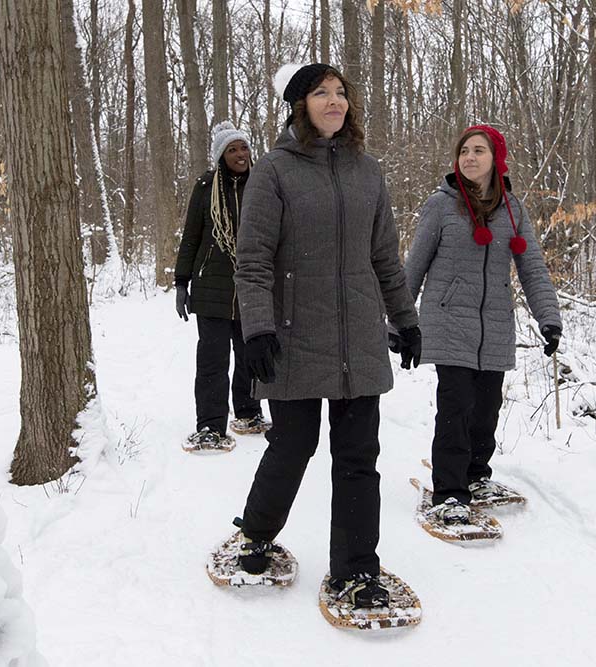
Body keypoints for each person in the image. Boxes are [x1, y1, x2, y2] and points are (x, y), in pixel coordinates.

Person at [231, 63, 421, 608]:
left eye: (341, 92)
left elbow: (385, 256)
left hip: (358, 337)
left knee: (359, 456)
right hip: (293, 335)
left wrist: (405, 319)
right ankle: (257, 532)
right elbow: (253, 260)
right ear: (301, 105)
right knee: (293, 445)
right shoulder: (274, 170)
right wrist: (258, 328)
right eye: (322, 93)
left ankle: (357, 569)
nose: (335, 101)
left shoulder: (368, 171)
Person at [401, 124, 562, 524]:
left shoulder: (513, 209)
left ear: (496, 159)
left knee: (487, 409)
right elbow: (415, 264)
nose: (469, 157)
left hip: (495, 324)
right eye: (464, 151)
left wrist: (548, 318)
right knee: (455, 406)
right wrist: (399, 322)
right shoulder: (441, 206)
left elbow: (532, 267)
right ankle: (449, 492)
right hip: (449, 319)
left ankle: (475, 475)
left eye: (478, 151)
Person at [174, 121, 271, 449]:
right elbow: (191, 236)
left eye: (244, 147)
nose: (241, 154)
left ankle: (248, 412)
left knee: (249, 356)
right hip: (211, 289)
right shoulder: (205, 187)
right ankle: (210, 426)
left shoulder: (261, 184)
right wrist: (181, 283)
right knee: (212, 362)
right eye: (232, 149)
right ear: (221, 156)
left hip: (252, 287)